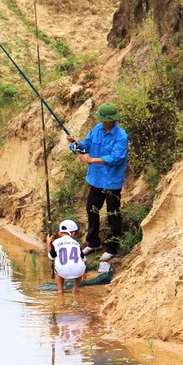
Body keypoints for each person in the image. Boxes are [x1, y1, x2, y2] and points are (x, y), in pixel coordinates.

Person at [66, 102, 128, 262]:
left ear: (112, 120)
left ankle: (112, 248)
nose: (101, 122)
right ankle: (93, 243)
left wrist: (92, 159)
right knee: (91, 209)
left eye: (104, 120)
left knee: (113, 213)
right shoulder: (97, 129)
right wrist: (76, 143)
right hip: (96, 178)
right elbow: (86, 145)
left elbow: (116, 158)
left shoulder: (121, 136)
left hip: (112, 181)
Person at [47, 219, 87, 294]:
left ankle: (60, 290)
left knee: (58, 274)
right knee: (79, 269)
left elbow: (50, 257)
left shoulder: (56, 242)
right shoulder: (76, 243)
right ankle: (75, 289)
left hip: (63, 272)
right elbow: (83, 259)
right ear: (73, 233)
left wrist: (48, 243)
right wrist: (83, 273)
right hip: (78, 272)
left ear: (59, 233)